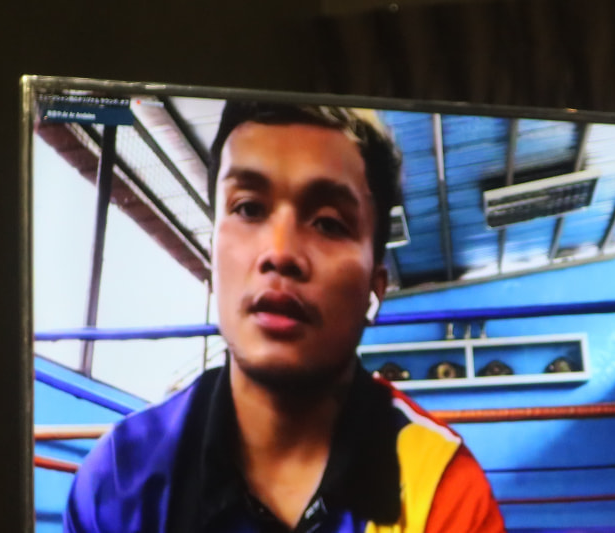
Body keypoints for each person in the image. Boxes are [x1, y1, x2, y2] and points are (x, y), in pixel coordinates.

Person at [64, 101, 505, 533]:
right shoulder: (119, 480)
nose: (280, 252)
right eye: (248, 208)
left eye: (328, 223)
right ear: (213, 255)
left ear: (375, 286)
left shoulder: (440, 488)